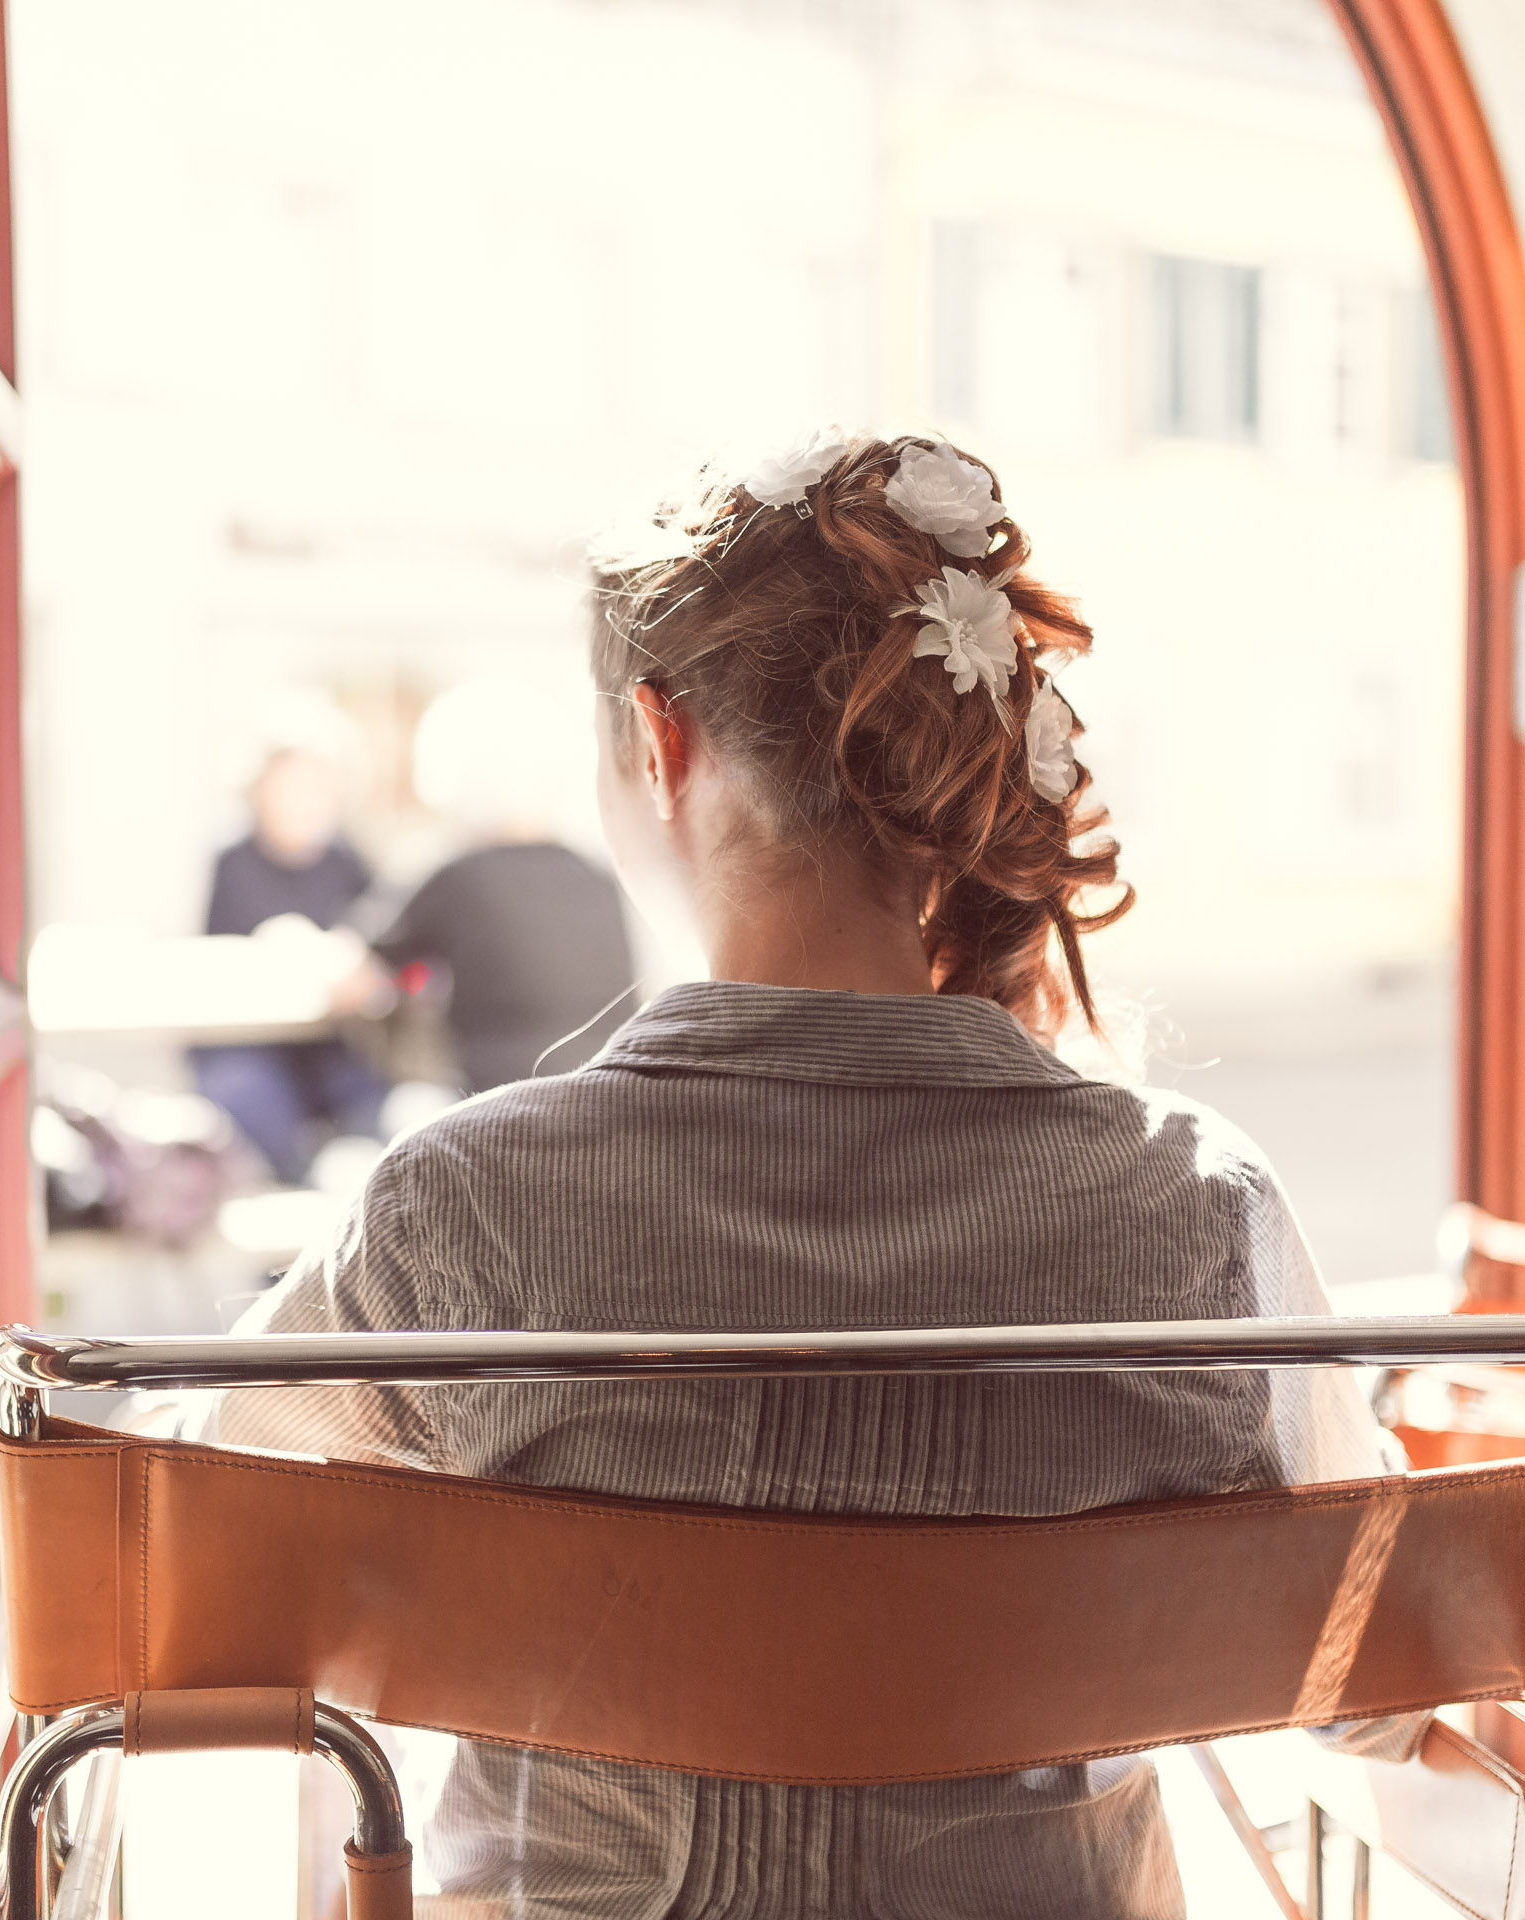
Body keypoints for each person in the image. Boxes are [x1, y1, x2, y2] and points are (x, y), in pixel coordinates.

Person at [211, 431, 1401, 1918]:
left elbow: (212, 1556)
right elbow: (1373, 1665)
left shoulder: (462, 1204)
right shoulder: (1188, 1208)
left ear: (660, 744)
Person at [377, 677, 639, 1091]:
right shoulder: (598, 874)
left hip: (500, 1105)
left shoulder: (457, 876)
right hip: (610, 1094)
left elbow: (363, 963)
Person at [191, 746, 387, 1185]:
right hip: (247, 1043)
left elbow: (380, 938)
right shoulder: (232, 859)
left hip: (327, 1040)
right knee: (249, 1100)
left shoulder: (344, 858)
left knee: (374, 1109)